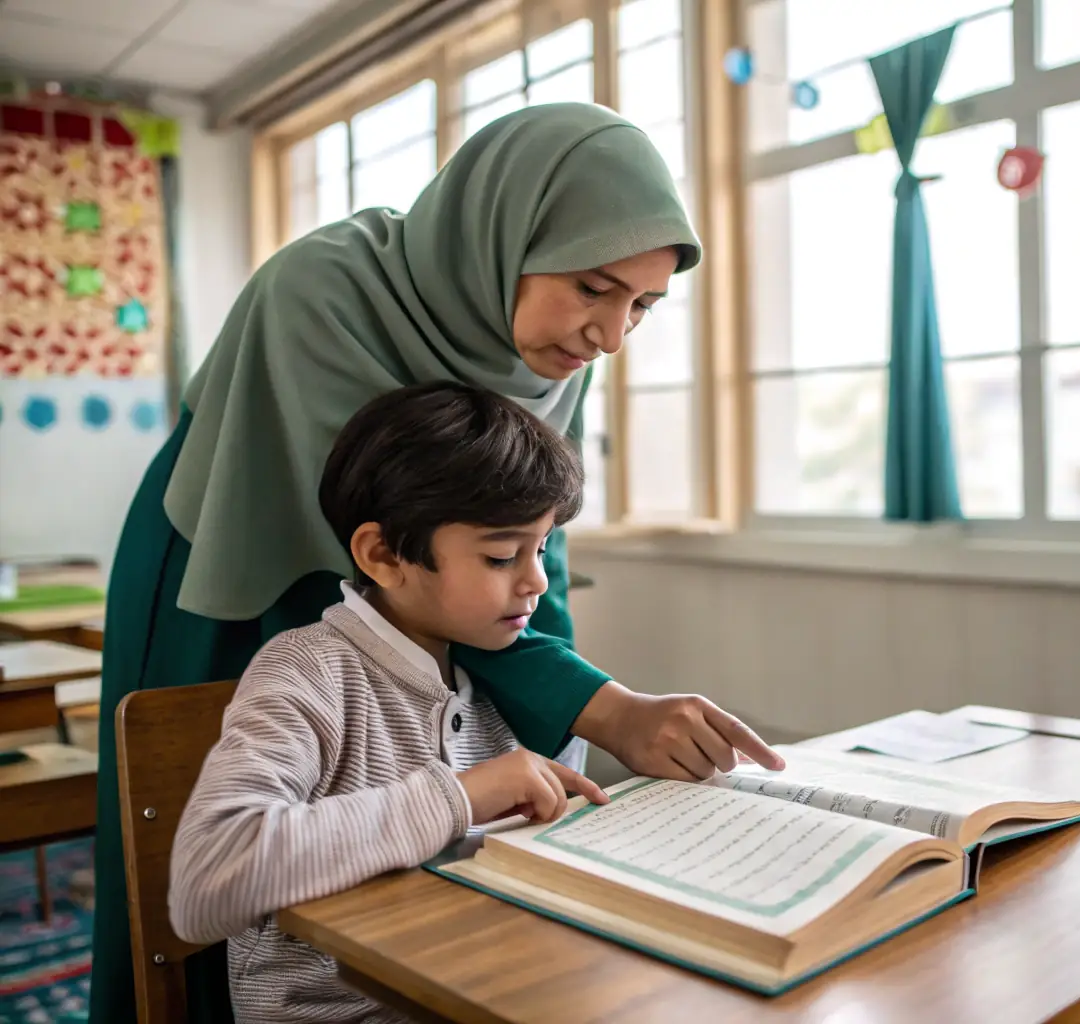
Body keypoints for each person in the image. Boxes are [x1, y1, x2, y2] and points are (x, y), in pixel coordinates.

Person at [91, 102, 784, 1024]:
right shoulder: (323, 296)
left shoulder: (546, 358)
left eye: (642, 307)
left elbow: (514, 564)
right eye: (591, 287)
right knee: (241, 840)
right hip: (240, 568)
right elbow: (401, 561)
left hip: (426, 576)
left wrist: (578, 711)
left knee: (431, 826)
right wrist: (602, 708)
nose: (610, 337)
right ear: (505, 231)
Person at [169, 382, 614, 1024]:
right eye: (500, 555)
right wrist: (458, 797)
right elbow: (205, 881)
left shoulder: (496, 671)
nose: (537, 581)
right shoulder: (309, 670)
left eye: (541, 548)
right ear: (382, 555)